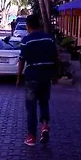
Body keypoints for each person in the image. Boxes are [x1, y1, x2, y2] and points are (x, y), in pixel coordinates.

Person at [17, 14, 58, 146]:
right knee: (44, 103)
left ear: (28, 26)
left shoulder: (26, 40)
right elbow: (55, 58)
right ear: (39, 24)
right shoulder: (49, 39)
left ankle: (31, 137)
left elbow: (22, 60)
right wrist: (55, 75)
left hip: (31, 78)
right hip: (46, 77)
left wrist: (18, 76)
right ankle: (44, 125)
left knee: (31, 107)